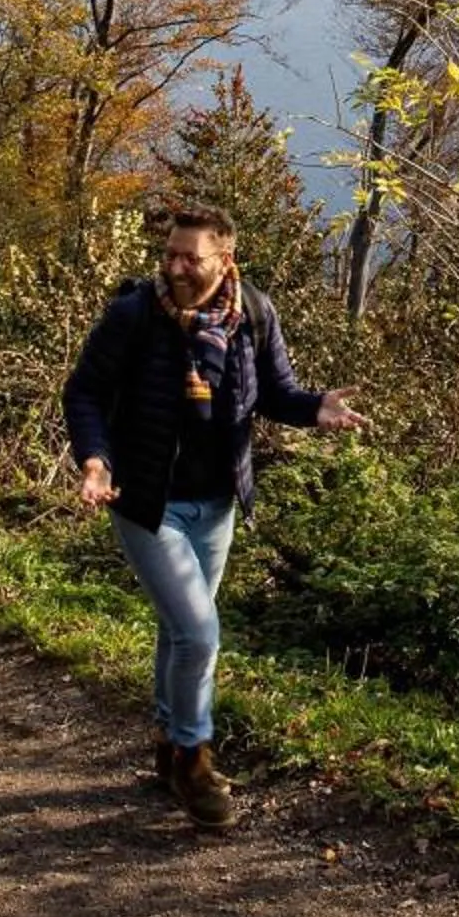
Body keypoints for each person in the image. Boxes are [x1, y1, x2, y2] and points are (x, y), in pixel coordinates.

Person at [61, 203, 365, 830]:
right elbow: (85, 391)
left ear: (223, 259)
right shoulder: (134, 316)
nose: (174, 266)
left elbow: (275, 393)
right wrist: (95, 461)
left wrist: (316, 410)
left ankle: (170, 748)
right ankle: (196, 764)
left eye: (189, 257)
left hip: (218, 501)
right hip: (146, 502)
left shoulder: (252, 313)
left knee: (180, 632)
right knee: (200, 634)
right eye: (170, 253)